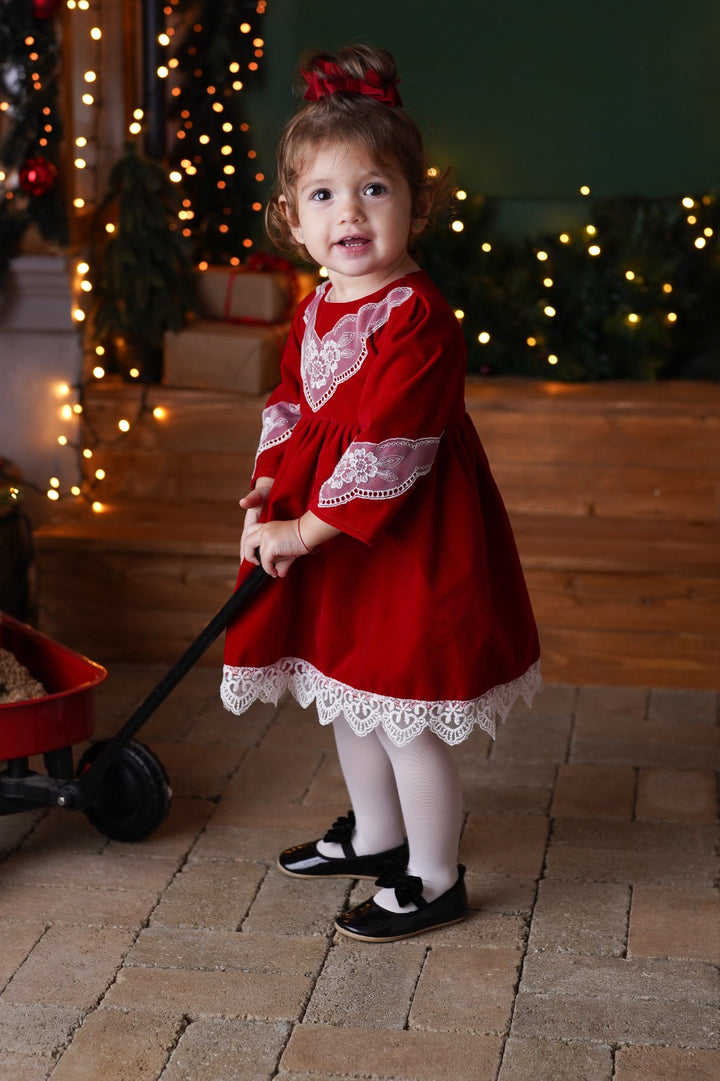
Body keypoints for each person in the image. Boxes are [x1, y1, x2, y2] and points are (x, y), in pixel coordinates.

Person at [221, 44, 541, 942]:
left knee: (403, 710)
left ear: (417, 202)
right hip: (322, 531)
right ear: (292, 216)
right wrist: (266, 487)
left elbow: (392, 453)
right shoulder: (319, 302)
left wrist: (305, 529)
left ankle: (434, 874)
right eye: (323, 195)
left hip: (400, 540)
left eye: (374, 190)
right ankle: (375, 832)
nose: (349, 213)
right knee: (343, 686)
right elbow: (292, 400)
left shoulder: (417, 317)